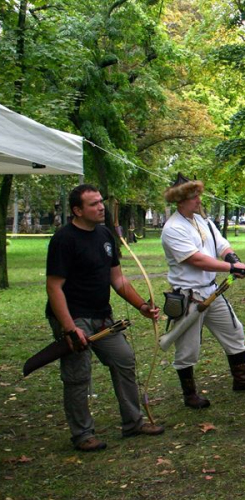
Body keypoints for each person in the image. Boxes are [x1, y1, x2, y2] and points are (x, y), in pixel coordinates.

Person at [45, 184, 165, 452]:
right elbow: (54, 287)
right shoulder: (64, 239)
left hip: (102, 317)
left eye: (101, 201)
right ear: (77, 210)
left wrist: (142, 306)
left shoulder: (104, 234)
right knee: (78, 375)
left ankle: (133, 422)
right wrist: (68, 328)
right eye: (93, 204)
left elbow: (118, 279)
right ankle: (82, 434)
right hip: (74, 318)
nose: (100, 207)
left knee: (123, 359)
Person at [161, 174, 245, 410]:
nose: (199, 200)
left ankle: (242, 379)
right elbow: (196, 260)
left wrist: (233, 259)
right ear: (180, 200)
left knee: (234, 332)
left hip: (212, 291)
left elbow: (221, 244)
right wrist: (231, 268)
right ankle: (190, 395)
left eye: (198, 194)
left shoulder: (202, 221)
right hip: (190, 296)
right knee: (188, 347)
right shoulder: (172, 228)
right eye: (193, 196)